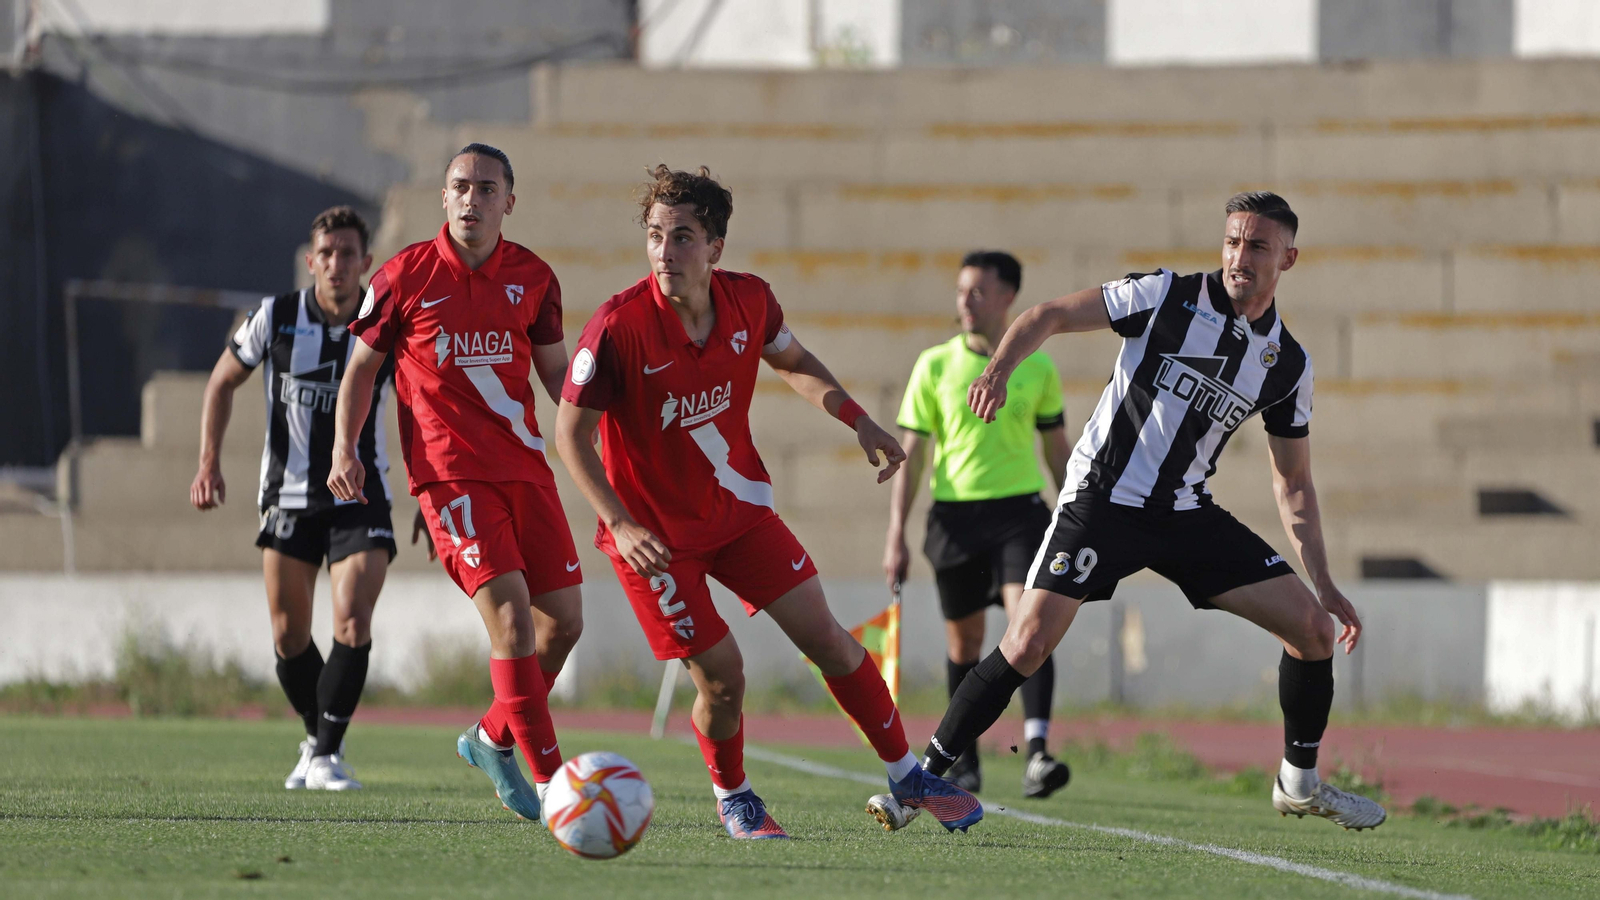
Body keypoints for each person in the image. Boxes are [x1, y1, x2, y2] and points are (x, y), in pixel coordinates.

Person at [886, 191, 1386, 832]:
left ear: (1288, 258)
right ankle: (919, 780)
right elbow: (1046, 315)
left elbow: (1294, 486)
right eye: (1232, 241)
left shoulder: (1286, 364)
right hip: (1103, 500)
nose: (1240, 256)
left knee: (1314, 632)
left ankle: (1299, 783)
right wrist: (1001, 369)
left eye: (1257, 245)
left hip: (1185, 513)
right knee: (1029, 642)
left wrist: (1325, 583)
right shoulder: (1165, 295)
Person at [555, 165, 983, 839]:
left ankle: (908, 774)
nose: (666, 252)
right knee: (724, 679)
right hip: (655, 540)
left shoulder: (750, 302)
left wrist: (859, 420)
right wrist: (619, 521)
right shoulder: (617, 326)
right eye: (656, 236)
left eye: (684, 237)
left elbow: (794, 362)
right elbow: (569, 434)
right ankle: (736, 797)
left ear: (716, 247)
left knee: (833, 643)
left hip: (737, 513)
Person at [329, 143, 583, 824]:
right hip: (452, 479)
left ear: (509, 201)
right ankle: (560, 786)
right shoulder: (404, 275)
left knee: (563, 623)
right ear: (444, 198)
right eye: (460, 187)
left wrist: (612, 423)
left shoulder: (534, 278)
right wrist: (345, 450)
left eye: (487, 188)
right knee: (510, 620)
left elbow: (559, 380)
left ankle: (493, 737)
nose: (472, 199)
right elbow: (360, 371)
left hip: (527, 470)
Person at [191, 206, 393, 791]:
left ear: (366, 262)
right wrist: (209, 460)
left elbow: (422, 406)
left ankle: (326, 756)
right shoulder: (275, 317)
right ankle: (319, 737)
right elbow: (220, 381)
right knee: (288, 637)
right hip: (288, 496)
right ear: (312, 261)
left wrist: (434, 496)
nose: (336, 264)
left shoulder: (383, 323)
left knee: (352, 618)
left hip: (361, 494)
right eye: (326, 254)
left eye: (348, 253)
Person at [885, 250, 1073, 799]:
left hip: (1021, 514)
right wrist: (895, 534)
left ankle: (1037, 752)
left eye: (979, 291)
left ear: (1008, 297)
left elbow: (1058, 450)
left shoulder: (1037, 366)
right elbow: (913, 456)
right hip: (954, 521)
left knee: (1029, 626)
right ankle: (964, 760)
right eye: (961, 290)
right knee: (965, 643)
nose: (966, 301)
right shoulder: (934, 365)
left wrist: (1081, 515)